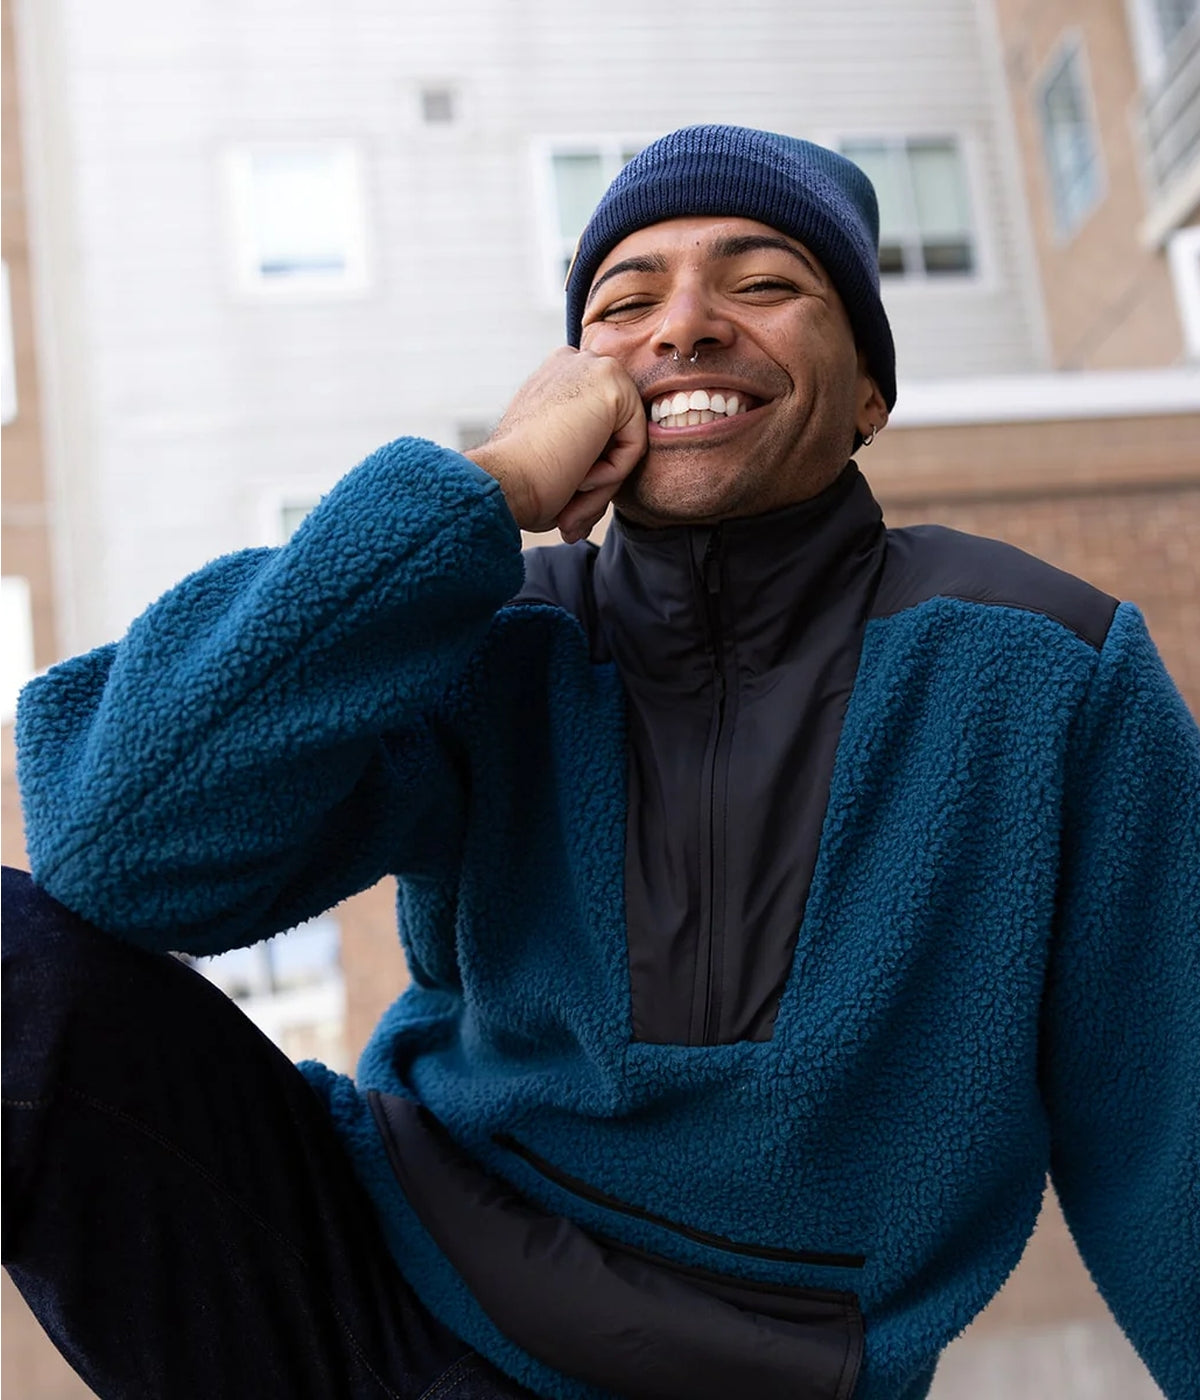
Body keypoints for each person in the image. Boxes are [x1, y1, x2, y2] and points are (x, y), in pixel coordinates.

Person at [4, 125, 1198, 1400]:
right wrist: (484, 489)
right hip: (363, 1266)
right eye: (626, 301)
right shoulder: (495, 629)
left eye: (764, 282)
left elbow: (1167, 1123)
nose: (684, 326)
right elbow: (112, 835)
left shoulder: (1047, 668)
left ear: (867, 393)